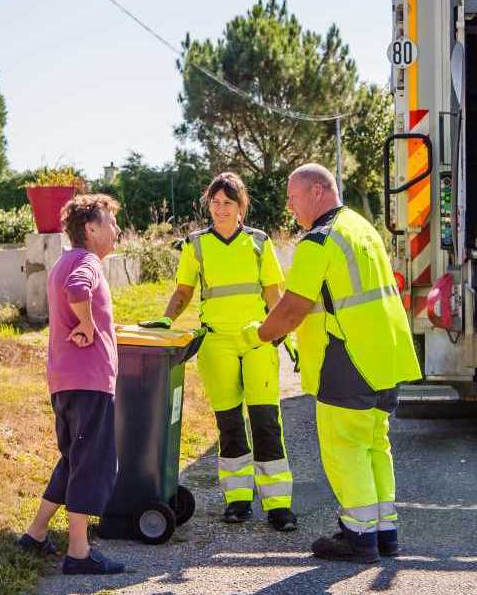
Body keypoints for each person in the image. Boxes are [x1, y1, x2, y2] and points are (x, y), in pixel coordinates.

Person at [239, 163, 422, 563]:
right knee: (375, 443)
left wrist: (258, 335)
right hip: (385, 355)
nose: (290, 206)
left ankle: (358, 537)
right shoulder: (361, 228)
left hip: (347, 357)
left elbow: (291, 309)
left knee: (345, 447)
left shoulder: (319, 240)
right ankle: (383, 531)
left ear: (318, 191)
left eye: (293, 196)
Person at [142, 172, 298, 532]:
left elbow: (273, 294)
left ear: (240, 205)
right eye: (214, 202)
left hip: (257, 340)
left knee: (265, 423)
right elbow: (183, 292)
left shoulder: (260, 242)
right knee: (229, 426)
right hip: (217, 344)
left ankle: (278, 506)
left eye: (227, 202)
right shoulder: (196, 245)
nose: (220, 209)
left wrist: (283, 336)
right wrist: (166, 320)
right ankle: (238, 501)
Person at [17, 194, 126, 575]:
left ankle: (35, 533)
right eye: (110, 222)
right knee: (91, 465)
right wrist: (88, 323)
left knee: (73, 459)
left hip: (65, 381)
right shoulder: (85, 263)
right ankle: (79, 552)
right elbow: (79, 289)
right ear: (91, 228)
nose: (116, 230)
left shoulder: (64, 261)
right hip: (89, 382)